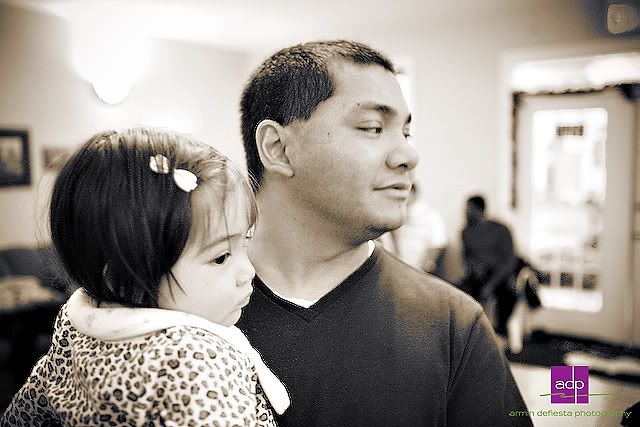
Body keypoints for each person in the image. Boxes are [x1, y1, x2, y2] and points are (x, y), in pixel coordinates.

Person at [236, 40, 532, 426]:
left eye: (405, 133)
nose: (409, 156)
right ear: (278, 148)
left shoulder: (452, 325)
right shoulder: (179, 303)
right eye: (373, 128)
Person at [0, 128, 289, 426]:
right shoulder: (198, 363)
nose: (248, 272)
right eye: (220, 257)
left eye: (245, 242)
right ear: (121, 277)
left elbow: (22, 415)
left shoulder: (77, 322)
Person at [458, 194, 519, 336]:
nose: (466, 213)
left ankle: (500, 334)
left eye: (469, 209)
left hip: (501, 276)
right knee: (459, 293)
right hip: (479, 276)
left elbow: (509, 261)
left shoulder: (501, 230)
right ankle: (468, 335)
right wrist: (473, 267)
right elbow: (466, 257)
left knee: (508, 296)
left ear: (479, 209)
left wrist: (490, 285)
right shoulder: (466, 232)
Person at [378, 182, 448, 278]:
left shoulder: (430, 215)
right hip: (399, 267)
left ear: (414, 193)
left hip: (423, 270)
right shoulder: (393, 213)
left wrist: (426, 266)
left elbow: (438, 243)